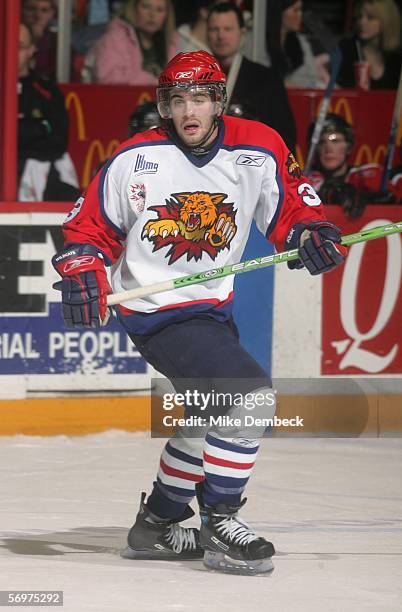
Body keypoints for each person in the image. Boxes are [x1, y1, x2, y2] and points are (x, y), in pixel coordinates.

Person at [52, 50, 347, 575]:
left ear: (219, 101)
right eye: (177, 100)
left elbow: (292, 211)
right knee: (250, 400)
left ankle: (157, 526)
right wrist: (82, 269)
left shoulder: (259, 146)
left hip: (211, 306)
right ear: (165, 105)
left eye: (200, 99)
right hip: (155, 308)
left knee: (213, 411)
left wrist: (310, 233)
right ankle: (220, 518)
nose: (189, 111)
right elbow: (87, 230)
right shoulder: (134, 158)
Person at [207, 2, 297, 151]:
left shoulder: (267, 79)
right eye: (214, 29)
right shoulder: (195, 78)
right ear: (207, 33)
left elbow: (284, 136)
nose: (221, 36)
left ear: (242, 32)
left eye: (228, 29)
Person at [18, 23, 80, 201]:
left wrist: (21, 136)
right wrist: (35, 131)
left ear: (31, 50)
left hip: (42, 170)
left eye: (20, 47)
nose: (11, 52)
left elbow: (58, 141)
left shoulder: (46, 91)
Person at [305, 113, 394, 218]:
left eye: (335, 141)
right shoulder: (304, 180)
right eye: (321, 142)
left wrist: (372, 199)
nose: (328, 149)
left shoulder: (369, 174)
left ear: (348, 146)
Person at [85, 0, 178, 85]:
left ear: (167, 15)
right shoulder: (116, 38)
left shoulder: (170, 43)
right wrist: (154, 82)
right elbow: (107, 77)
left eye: (160, 10)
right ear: (134, 9)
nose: (152, 14)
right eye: (145, 7)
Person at [337, 0, 402, 90]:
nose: (361, 22)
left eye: (370, 18)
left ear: (386, 21)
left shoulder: (396, 59)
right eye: (359, 17)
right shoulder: (346, 49)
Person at [265, 0, 330, 89]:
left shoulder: (301, 42)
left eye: (301, 10)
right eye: (295, 10)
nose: (300, 15)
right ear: (278, 12)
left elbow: (313, 78)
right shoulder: (256, 42)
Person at [21, 0, 58, 80]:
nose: (38, 16)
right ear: (20, 10)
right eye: (31, 9)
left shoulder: (59, 44)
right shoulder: (7, 39)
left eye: (44, 10)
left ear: (52, 14)